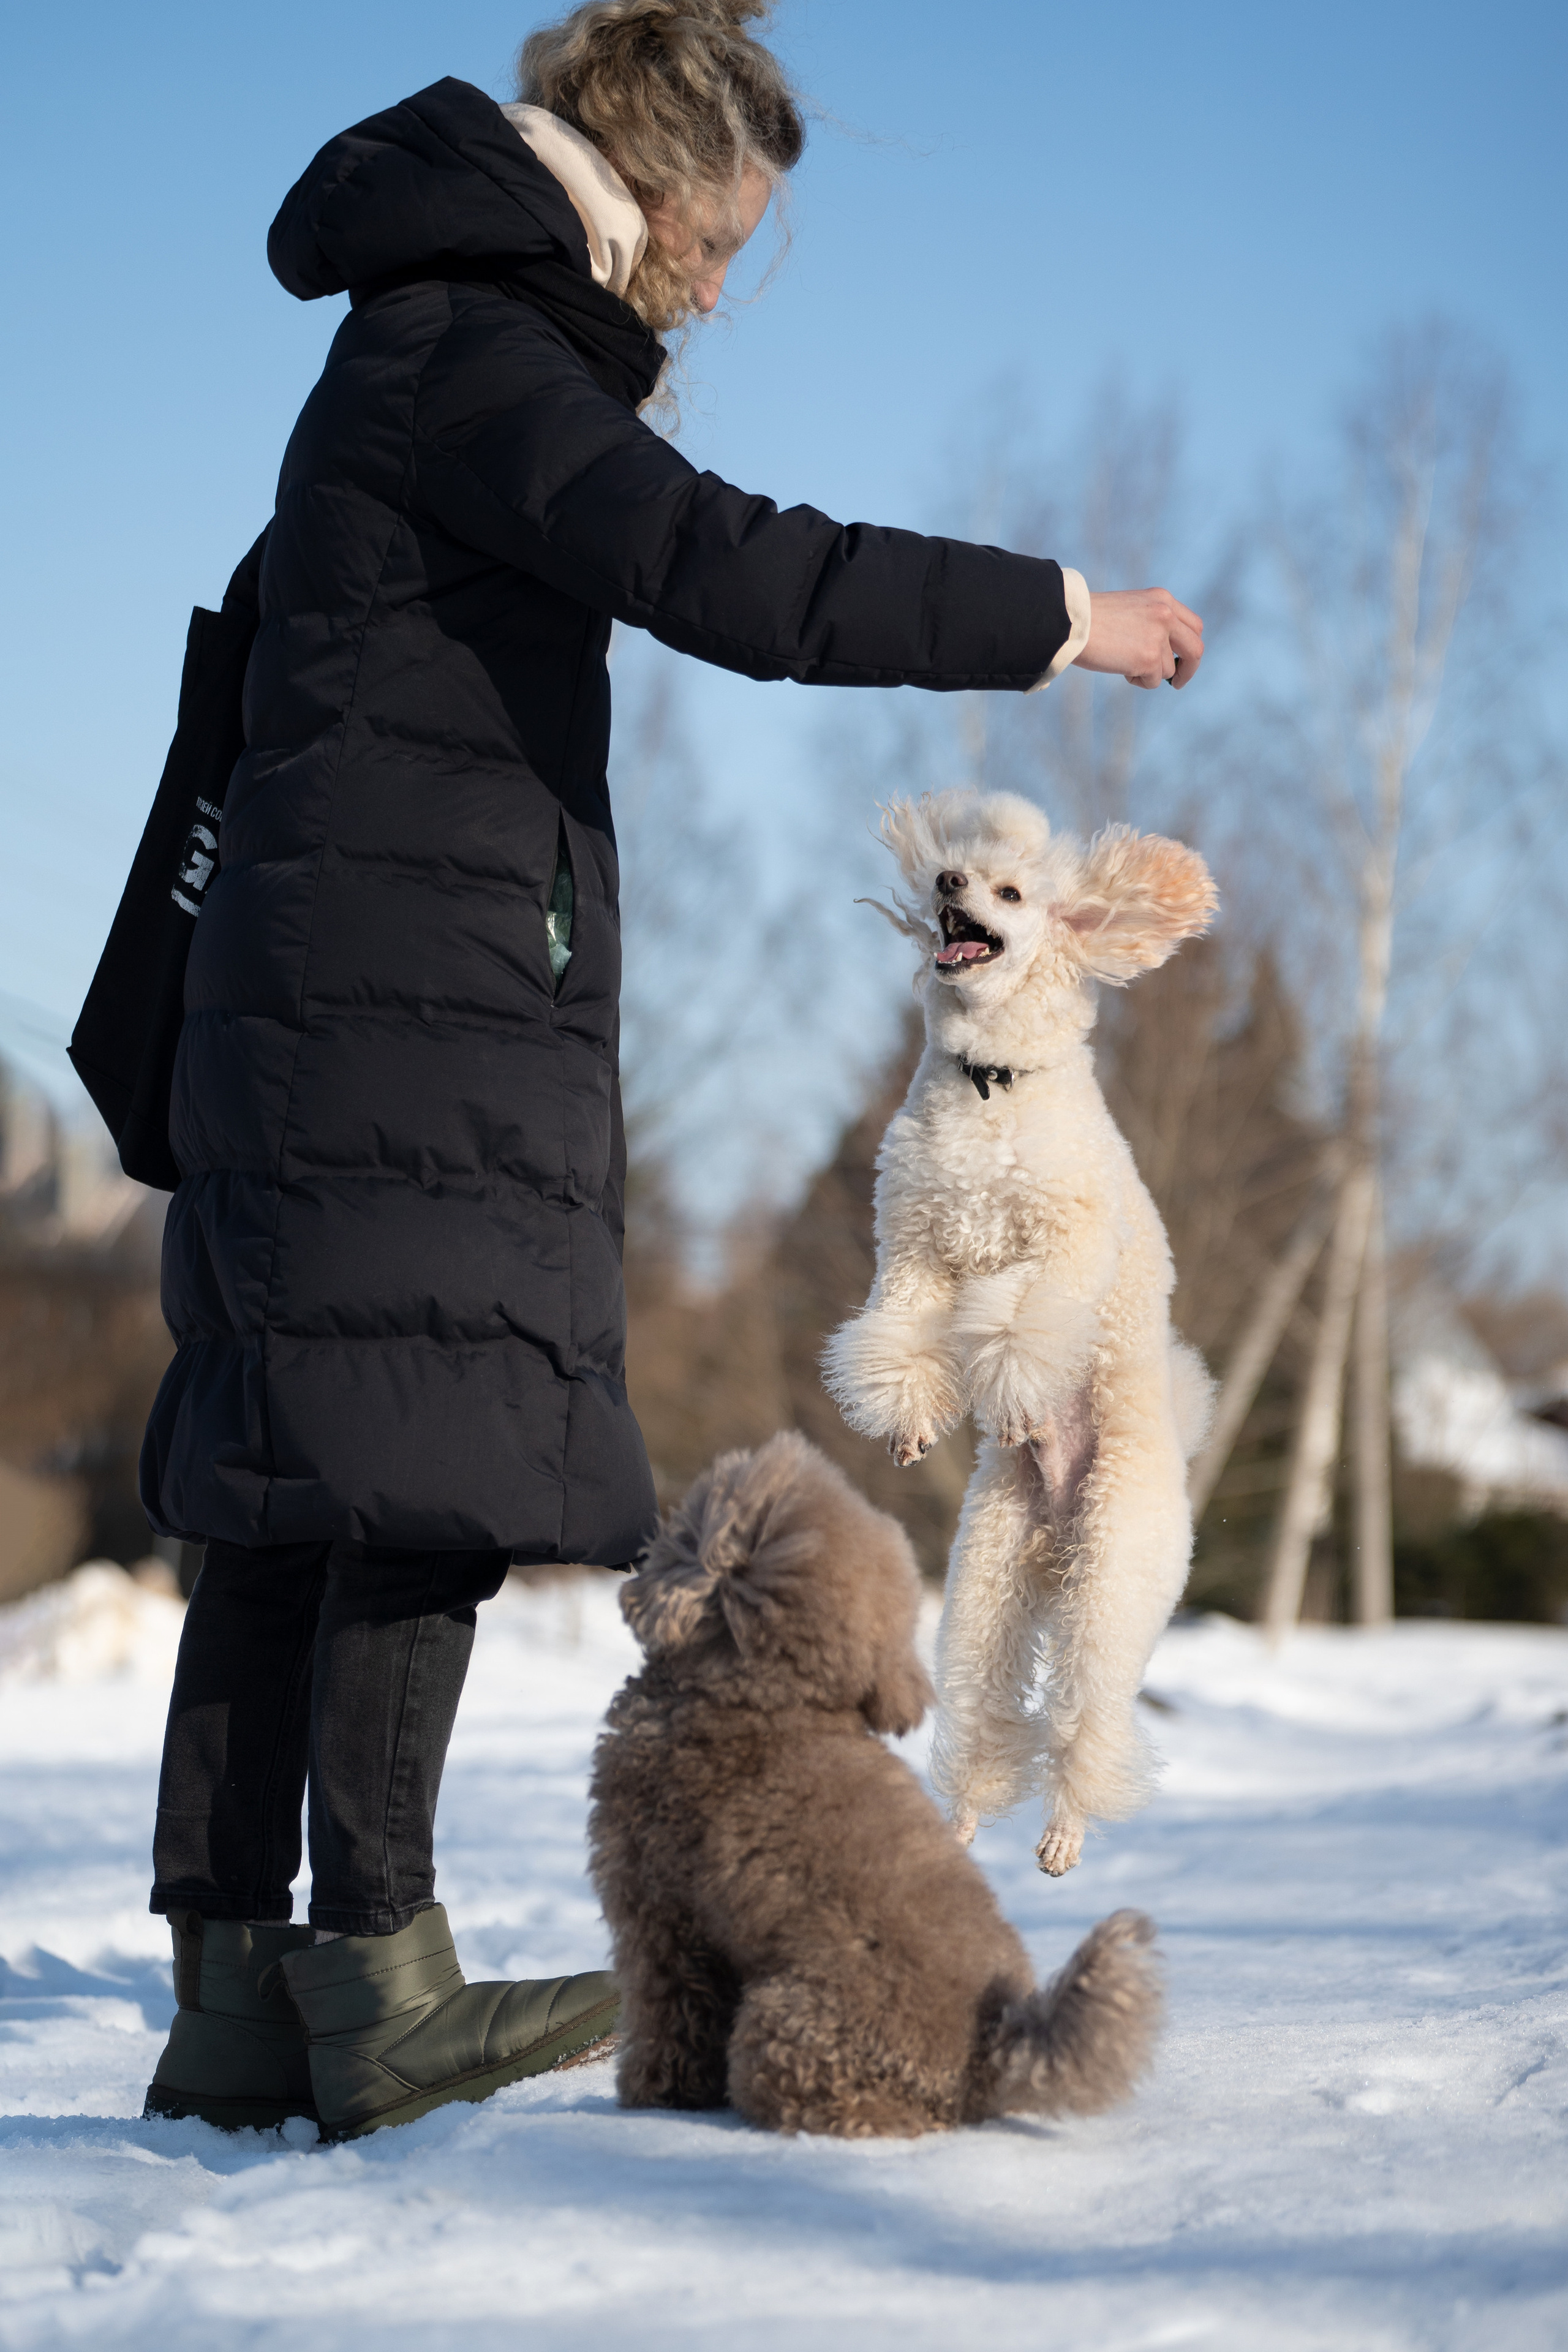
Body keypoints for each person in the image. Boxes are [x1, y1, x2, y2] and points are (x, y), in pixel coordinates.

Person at [140, 0, 1206, 2143]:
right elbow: (735, 570)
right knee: (410, 1467)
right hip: (405, 1003)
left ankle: (238, 2001)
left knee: (289, 1480)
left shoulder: (413, 339)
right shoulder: (477, 352)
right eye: (719, 238)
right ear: (640, 178)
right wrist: (1058, 612)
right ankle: (380, 1986)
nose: (715, 287)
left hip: (324, 986)